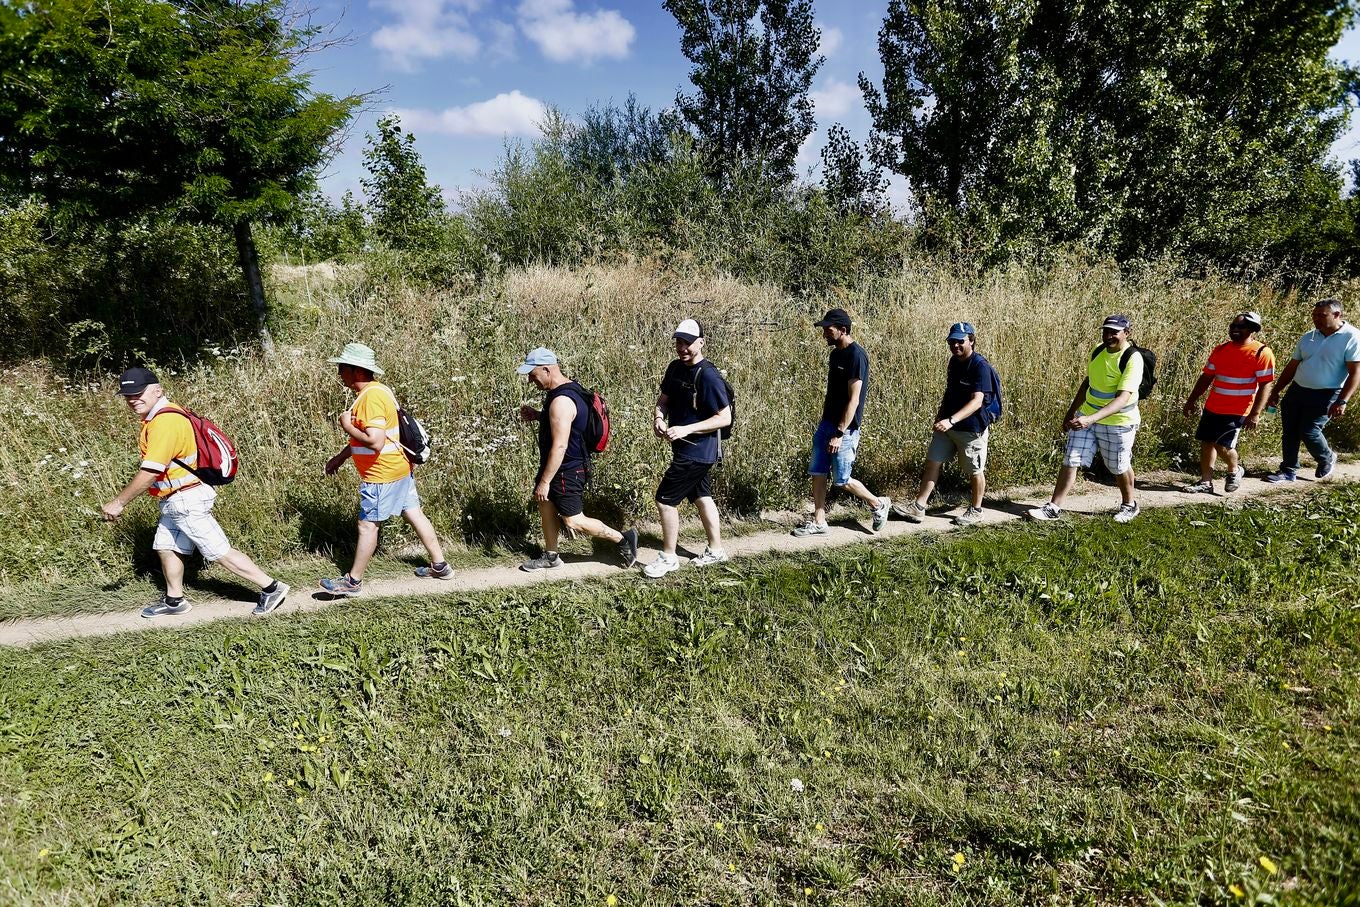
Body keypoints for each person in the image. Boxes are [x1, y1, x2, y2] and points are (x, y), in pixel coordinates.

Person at [101, 367, 290, 618]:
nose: (133, 399)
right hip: (177, 497)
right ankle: (174, 600)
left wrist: (119, 502)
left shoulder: (165, 422)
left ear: (157, 391)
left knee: (217, 551)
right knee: (166, 546)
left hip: (186, 498)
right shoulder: (165, 415)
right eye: (127, 395)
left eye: (138, 393)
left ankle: (272, 587)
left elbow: (150, 471)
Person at [320, 343, 451, 596]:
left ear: (357, 371)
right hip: (399, 468)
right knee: (414, 513)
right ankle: (440, 565)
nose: (338, 373)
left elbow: (376, 440)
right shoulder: (380, 391)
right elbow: (373, 439)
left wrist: (346, 425)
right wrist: (342, 456)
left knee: (367, 525)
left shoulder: (370, 398)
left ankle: (353, 582)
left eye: (342, 368)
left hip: (381, 475)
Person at [516, 347, 639, 571]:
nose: (530, 380)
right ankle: (551, 556)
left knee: (574, 520)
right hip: (559, 466)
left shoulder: (561, 401)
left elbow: (561, 445)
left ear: (546, 369)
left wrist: (545, 481)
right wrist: (538, 416)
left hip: (567, 469)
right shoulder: (570, 390)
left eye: (532, 375)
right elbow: (569, 422)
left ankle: (623, 539)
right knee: (545, 503)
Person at [1027, 314, 1143, 523]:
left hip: (1118, 422)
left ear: (1127, 333)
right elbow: (1088, 383)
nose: (1108, 336)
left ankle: (1129, 505)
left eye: (1114, 332)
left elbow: (1123, 398)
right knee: (1071, 458)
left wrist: (1091, 418)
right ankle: (1054, 507)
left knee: (1118, 465)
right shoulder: (1098, 350)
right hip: (1087, 416)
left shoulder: (1132, 358)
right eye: (1106, 331)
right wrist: (1072, 412)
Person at [643, 319, 733, 578]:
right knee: (701, 495)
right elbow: (663, 401)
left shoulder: (708, 375)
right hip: (683, 448)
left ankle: (669, 557)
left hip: (699, 450)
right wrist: (659, 418)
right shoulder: (675, 368)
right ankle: (716, 550)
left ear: (701, 343)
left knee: (665, 500)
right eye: (678, 342)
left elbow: (723, 417)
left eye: (687, 342)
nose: (682, 347)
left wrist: (685, 429)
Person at [792, 308, 892, 536]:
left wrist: (839, 433)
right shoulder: (835, 354)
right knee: (817, 471)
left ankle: (878, 504)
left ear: (843, 330)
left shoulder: (857, 356)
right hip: (828, 423)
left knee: (841, 479)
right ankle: (819, 521)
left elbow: (854, 399)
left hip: (844, 428)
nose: (824, 334)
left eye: (828, 330)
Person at [894, 322, 1001, 527]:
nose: (955, 346)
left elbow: (977, 401)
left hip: (971, 429)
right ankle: (918, 507)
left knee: (975, 470)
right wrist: (940, 416)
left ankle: (976, 510)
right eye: (952, 342)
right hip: (947, 426)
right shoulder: (953, 362)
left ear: (971, 341)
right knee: (933, 462)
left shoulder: (980, 367)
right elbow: (949, 393)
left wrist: (951, 420)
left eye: (960, 341)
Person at [1264, 298, 1360, 482]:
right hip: (1298, 390)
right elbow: (1292, 366)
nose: (1316, 319)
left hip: (1328, 393)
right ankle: (1288, 470)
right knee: (1290, 431)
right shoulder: (1310, 336)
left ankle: (1326, 457)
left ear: (1337, 314)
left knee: (1309, 431)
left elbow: (1355, 372)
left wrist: (1342, 400)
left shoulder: (1352, 336)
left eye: (1321, 315)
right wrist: (1276, 391)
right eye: (1314, 315)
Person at [1181, 312, 1275, 493]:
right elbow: (1206, 377)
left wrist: (1255, 414)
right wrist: (1191, 400)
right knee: (1207, 441)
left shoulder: (1262, 352)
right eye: (1233, 326)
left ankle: (1234, 469)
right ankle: (1205, 482)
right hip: (1213, 406)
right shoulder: (1221, 349)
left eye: (1241, 327)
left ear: (1253, 329)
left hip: (1237, 410)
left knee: (1222, 445)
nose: (1235, 330)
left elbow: (1265, 385)